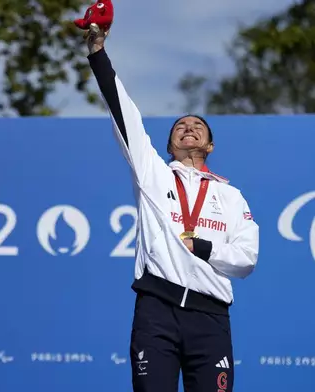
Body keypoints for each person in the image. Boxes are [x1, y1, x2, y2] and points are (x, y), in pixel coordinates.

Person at [83, 21, 260, 392]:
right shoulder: (153, 174)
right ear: (168, 145)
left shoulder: (230, 196)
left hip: (210, 318)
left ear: (209, 145)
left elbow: (246, 259)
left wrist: (205, 248)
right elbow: (124, 114)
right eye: (180, 125)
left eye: (198, 125)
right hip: (156, 313)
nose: (189, 127)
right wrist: (98, 52)